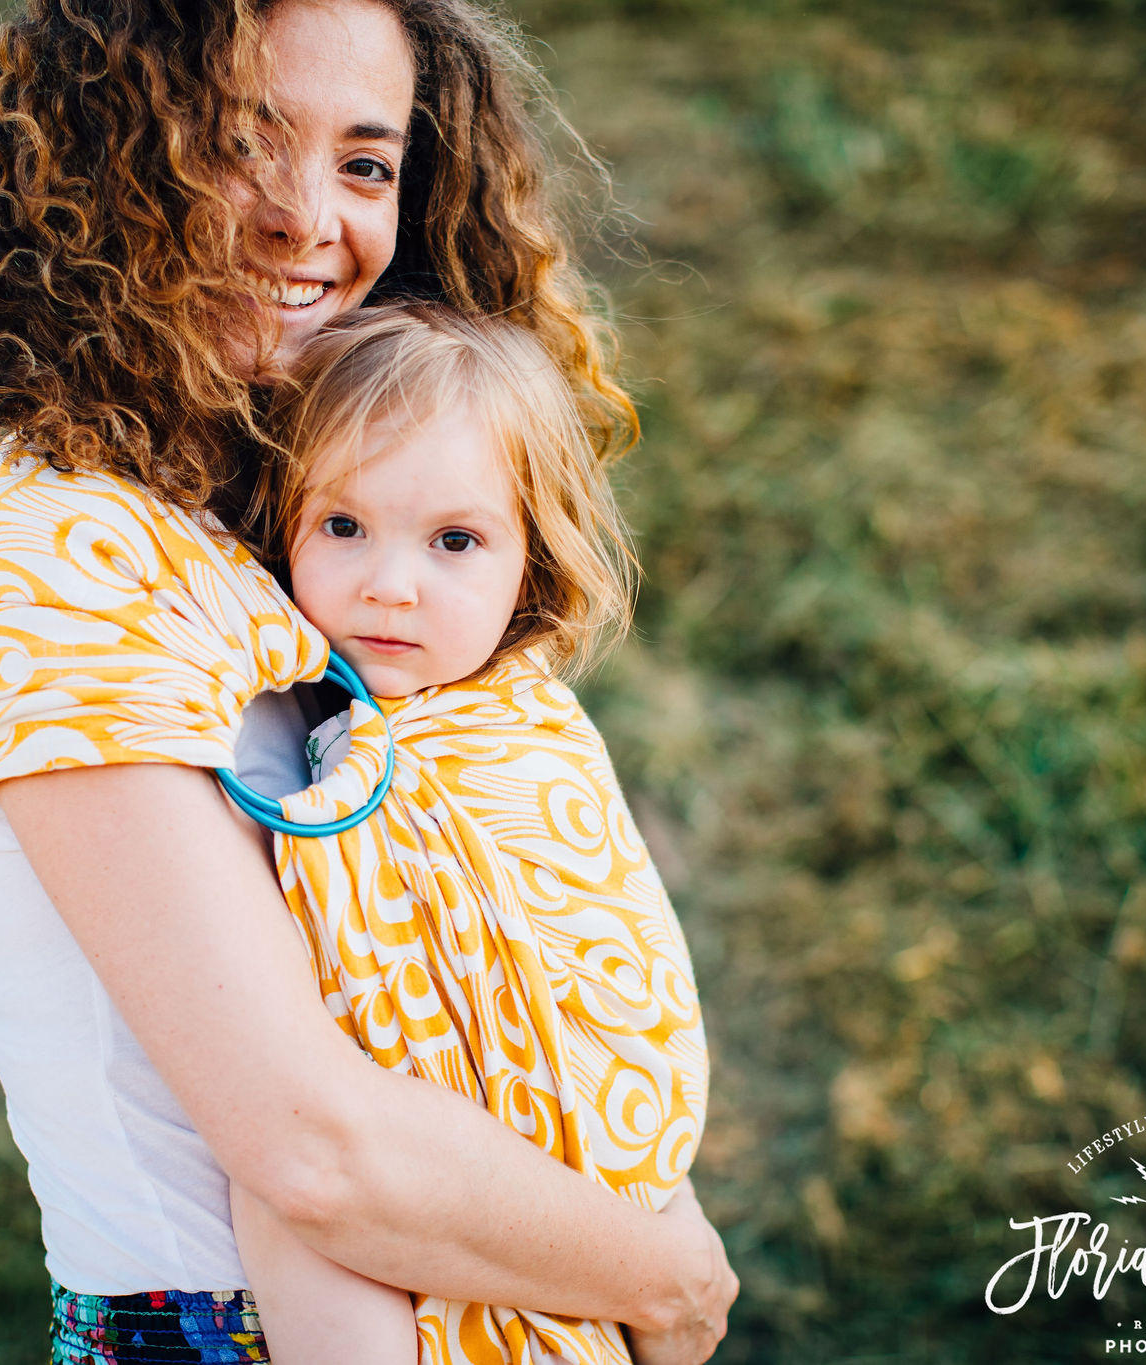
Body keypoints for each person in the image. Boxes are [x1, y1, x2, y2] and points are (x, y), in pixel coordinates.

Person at [0, 1, 737, 1361]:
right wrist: (671, 1280)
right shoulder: (51, 557)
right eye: (241, 143)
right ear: (109, 156)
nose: (308, 219)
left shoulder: (295, 520)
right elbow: (313, 1150)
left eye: (365, 163)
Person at [223, 303, 708, 1365]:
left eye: (454, 541)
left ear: (529, 562)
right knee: (281, 1191)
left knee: (279, 1199)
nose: (388, 584)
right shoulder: (323, 715)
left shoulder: (524, 735)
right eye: (341, 527)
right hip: (411, 1188)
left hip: (544, 1185)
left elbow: (605, 939)